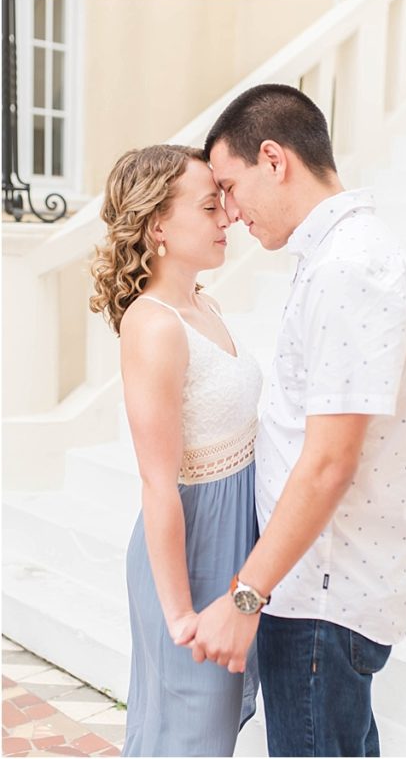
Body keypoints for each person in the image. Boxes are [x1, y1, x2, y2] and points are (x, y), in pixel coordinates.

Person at [183, 84, 406, 757]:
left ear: (273, 159)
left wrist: (248, 596)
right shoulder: (343, 258)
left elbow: (330, 460)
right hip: (319, 592)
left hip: (319, 601)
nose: (230, 212)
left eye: (229, 186)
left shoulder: (351, 267)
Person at [89, 144, 261, 756]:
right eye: (211, 205)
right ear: (157, 223)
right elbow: (158, 482)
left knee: (212, 735)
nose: (228, 218)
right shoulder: (154, 323)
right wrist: (181, 614)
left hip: (238, 536)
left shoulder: (205, 306)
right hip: (194, 550)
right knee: (188, 739)